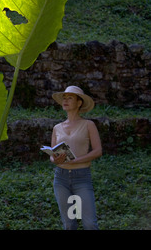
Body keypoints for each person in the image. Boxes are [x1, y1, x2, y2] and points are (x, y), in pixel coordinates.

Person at [50, 85, 102, 230]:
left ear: (79, 103)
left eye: (70, 98)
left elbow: (98, 151)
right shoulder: (57, 127)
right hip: (61, 179)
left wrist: (77, 160)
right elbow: (52, 155)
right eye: (64, 98)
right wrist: (55, 159)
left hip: (82, 178)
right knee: (69, 224)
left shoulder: (88, 125)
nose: (65, 101)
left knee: (90, 224)